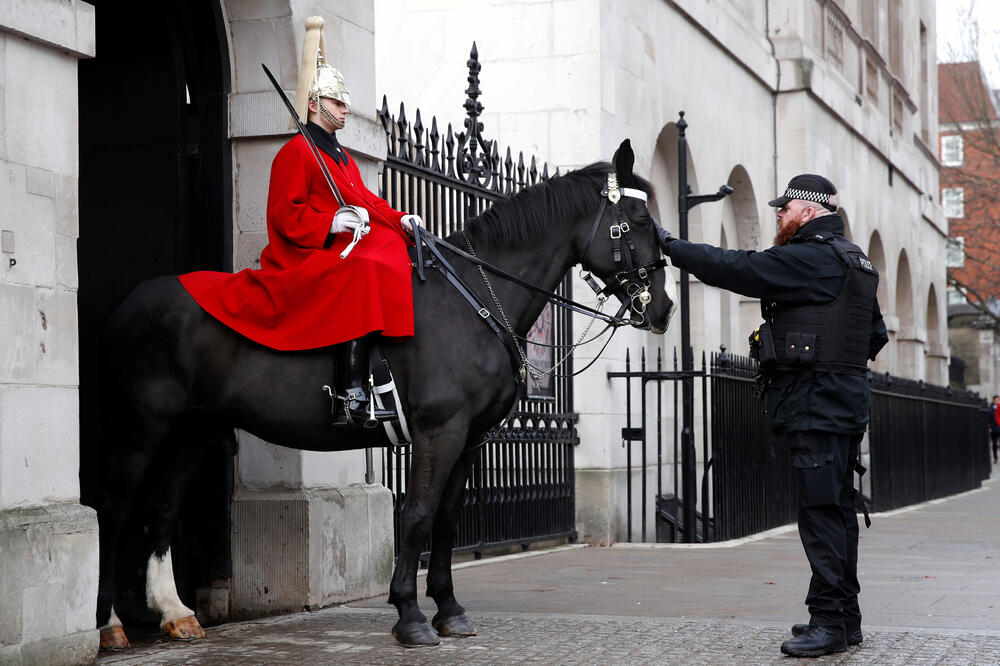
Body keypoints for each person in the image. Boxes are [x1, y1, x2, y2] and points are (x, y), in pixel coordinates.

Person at [658, 174, 888, 658]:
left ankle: (828, 623)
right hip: (843, 402)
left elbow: (739, 267)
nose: (779, 216)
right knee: (839, 510)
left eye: (785, 209)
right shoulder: (858, 263)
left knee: (821, 514)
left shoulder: (813, 256)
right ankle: (844, 618)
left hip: (815, 403)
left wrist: (670, 245)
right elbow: (876, 335)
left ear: (808, 210)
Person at [179, 17, 420, 427]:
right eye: (337, 103)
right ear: (314, 104)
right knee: (362, 270)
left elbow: (368, 202)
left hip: (335, 249)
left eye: (345, 103)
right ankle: (350, 392)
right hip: (304, 253)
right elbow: (284, 215)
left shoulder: (341, 158)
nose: (345, 110)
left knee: (391, 246)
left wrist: (402, 220)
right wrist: (333, 222)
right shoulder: (296, 152)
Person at [990, 396, 1000, 464]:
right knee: (994, 443)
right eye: (996, 400)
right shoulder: (990, 409)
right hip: (994, 428)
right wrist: (989, 426)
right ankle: (995, 457)